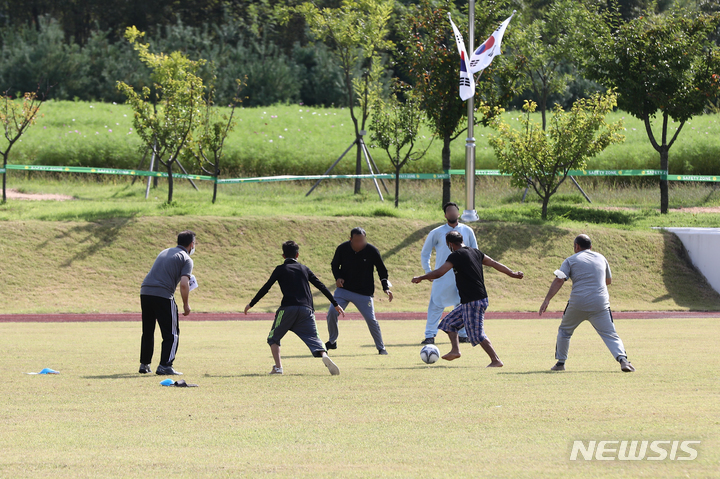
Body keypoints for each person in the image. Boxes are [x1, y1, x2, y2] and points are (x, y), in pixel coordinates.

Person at [412, 231, 523, 367]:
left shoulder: (456, 255)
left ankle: (496, 360)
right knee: (448, 323)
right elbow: (493, 263)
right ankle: (455, 350)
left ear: (450, 244)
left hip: (473, 301)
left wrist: (421, 277)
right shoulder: (475, 252)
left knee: (477, 334)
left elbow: (440, 272)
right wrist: (512, 273)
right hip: (472, 300)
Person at [244, 241, 343, 376]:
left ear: (283, 255)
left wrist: (251, 304)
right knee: (313, 337)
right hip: (306, 310)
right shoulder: (304, 269)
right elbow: (321, 286)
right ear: (297, 254)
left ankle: (278, 368)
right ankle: (324, 354)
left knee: (273, 338)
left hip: (287, 309)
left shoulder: (280, 269)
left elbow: (266, 288)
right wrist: (335, 304)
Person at [539, 234, 635, 372]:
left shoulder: (570, 260)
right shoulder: (602, 258)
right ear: (590, 247)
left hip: (577, 303)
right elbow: (608, 281)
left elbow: (559, 279)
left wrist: (547, 299)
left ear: (576, 246)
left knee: (565, 331)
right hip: (600, 303)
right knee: (610, 334)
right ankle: (623, 360)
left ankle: (560, 363)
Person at [325, 227, 393, 355]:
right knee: (332, 312)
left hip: (364, 293)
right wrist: (338, 277)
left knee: (371, 319)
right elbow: (334, 265)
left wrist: (385, 287)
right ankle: (332, 341)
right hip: (343, 291)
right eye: (357, 240)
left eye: (363, 240)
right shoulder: (342, 248)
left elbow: (382, 269)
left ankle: (381, 348)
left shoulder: (372, 251)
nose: (361, 243)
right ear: (351, 240)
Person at [419, 202, 478, 345]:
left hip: (463, 276)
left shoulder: (467, 230)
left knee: (462, 305)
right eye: (449, 211)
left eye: (454, 211)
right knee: (436, 305)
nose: (452, 213)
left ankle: (463, 335)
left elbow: (475, 252)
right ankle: (430, 335)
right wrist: (428, 271)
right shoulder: (436, 232)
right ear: (445, 215)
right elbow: (425, 253)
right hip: (442, 275)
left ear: (458, 213)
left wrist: (473, 273)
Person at [139, 230, 196, 376]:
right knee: (172, 333)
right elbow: (184, 284)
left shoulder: (165, 251)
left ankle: (144, 364)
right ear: (191, 244)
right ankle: (165, 365)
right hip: (163, 294)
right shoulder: (186, 258)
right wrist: (186, 304)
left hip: (145, 291)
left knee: (148, 330)